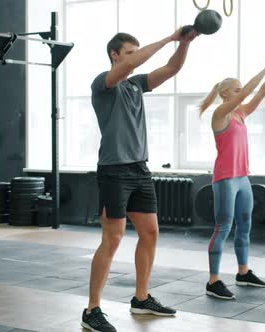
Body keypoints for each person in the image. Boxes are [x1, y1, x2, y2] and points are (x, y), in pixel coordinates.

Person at [80, 29, 199, 332]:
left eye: (136, 52)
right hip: (114, 171)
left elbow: (172, 68)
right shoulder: (103, 83)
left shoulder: (135, 86)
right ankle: (92, 309)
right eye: (129, 53)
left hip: (140, 170)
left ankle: (141, 299)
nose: (133, 58)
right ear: (115, 55)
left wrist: (183, 44)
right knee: (114, 237)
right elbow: (131, 66)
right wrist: (170, 37)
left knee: (150, 233)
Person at [199, 57, 265, 300]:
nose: (242, 94)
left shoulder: (240, 113)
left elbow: (261, 92)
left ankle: (243, 272)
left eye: (240, 89)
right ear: (226, 94)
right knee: (223, 227)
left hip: (242, 178)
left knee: (245, 225)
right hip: (225, 178)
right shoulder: (220, 114)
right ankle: (213, 281)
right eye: (237, 90)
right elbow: (250, 90)